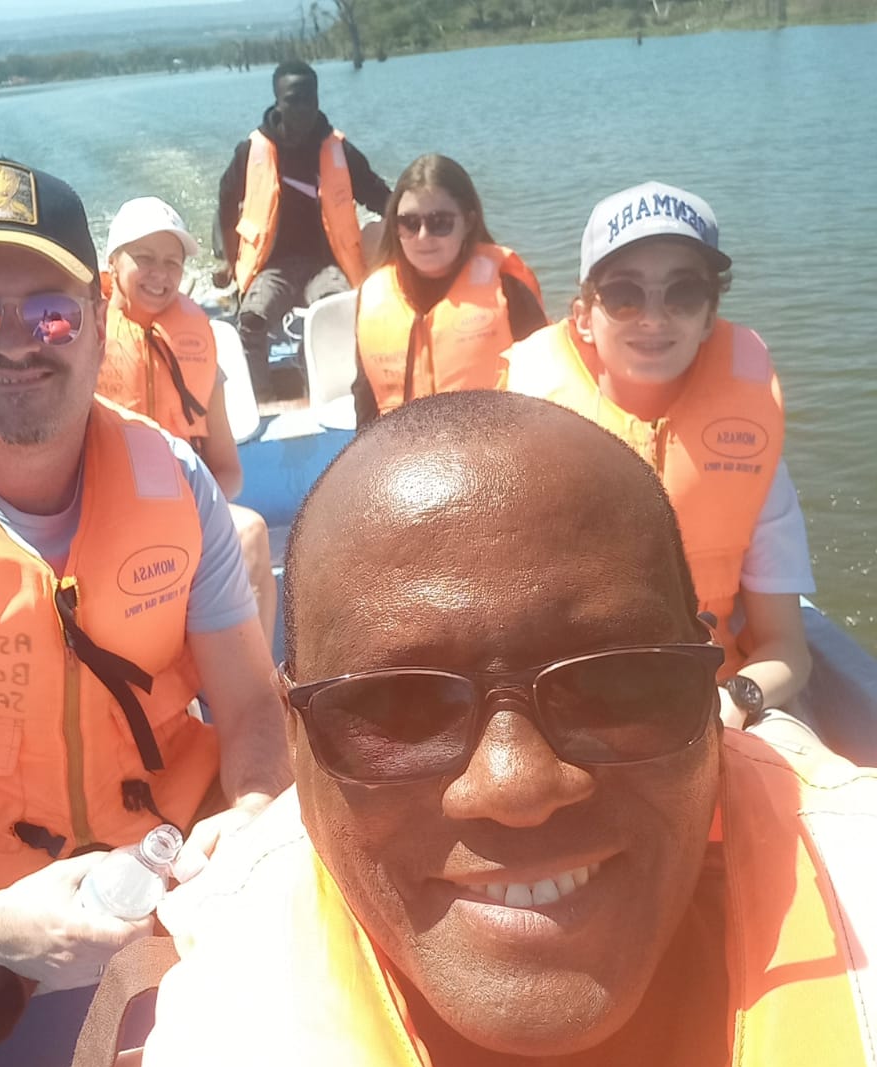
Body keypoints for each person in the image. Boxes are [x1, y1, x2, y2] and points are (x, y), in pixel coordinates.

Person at [0, 391, 877, 1067]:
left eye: (620, 682)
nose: (517, 784)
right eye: (399, 707)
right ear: (298, 746)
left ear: (711, 699)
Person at [0, 158, 291, 1067]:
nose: (11, 337)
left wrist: (252, 814)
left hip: (172, 851)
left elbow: (257, 708)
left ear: (94, 310)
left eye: (46, 309)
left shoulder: (172, 479)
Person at [504, 182, 814, 729]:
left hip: (714, 698)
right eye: (624, 293)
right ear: (583, 317)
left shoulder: (754, 448)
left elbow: (786, 648)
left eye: (684, 293)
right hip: (569, 705)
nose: (654, 317)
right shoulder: (524, 439)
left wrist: (736, 701)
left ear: (709, 317)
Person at [98, 196, 278, 645]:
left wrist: (188, 508)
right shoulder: (82, 341)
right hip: (102, 510)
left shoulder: (196, 342)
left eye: (172, 263)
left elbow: (228, 470)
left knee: (252, 534)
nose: (160, 275)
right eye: (144, 259)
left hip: (184, 506)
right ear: (112, 262)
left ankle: (257, 691)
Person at [214, 59, 391, 401]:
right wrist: (225, 257)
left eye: (310, 98)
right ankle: (261, 398)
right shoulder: (251, 152)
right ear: (277, 101)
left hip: (324, 264)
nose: (303, 108)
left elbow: (377, 195)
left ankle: (330, 395)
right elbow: (225, 203)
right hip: (272, 267)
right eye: (294, 99)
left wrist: (414, 221)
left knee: (336, 312)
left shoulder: (339, 150)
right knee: (250, 320)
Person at [354, 153, 547, 426]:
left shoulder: (507, 288)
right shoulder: (373, 294)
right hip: (403, 453)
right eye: (409, 223)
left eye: (440, 222)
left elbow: (546, 382)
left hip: (493, 451)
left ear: (468, 222)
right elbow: (365, 396)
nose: (423, 237)